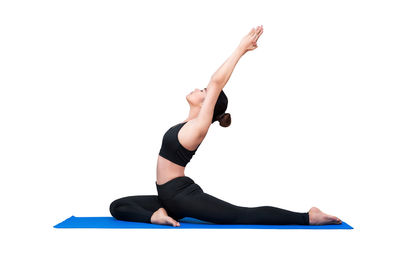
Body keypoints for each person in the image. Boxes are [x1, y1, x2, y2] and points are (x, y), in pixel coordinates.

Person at [110, 25, 342, 227]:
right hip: (168, 196)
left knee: (240, 215)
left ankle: (307, 217)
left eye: (204, 92)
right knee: (118, 206)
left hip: (181, 196)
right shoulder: (187, 123)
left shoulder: (199, 127)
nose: (199, 89)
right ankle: (157, 216)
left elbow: (216, 82)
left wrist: (241, 49)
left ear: (208, 104)